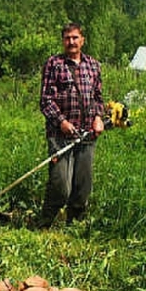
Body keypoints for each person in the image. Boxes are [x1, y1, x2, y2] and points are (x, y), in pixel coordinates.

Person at [37, 22, 105, 228]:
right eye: (67, 38)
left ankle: (74, 228)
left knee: (82, 187)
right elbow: (45, 100)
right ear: (63, 41)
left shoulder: (93, 65)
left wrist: (98, 118)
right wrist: (62, 122)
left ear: (83, 40)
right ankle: (43, 224)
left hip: (87, 136)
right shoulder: (54, 64)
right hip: (60, 135)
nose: (71, 42)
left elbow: (98, 98)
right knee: (61, 186)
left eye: (75, 37)